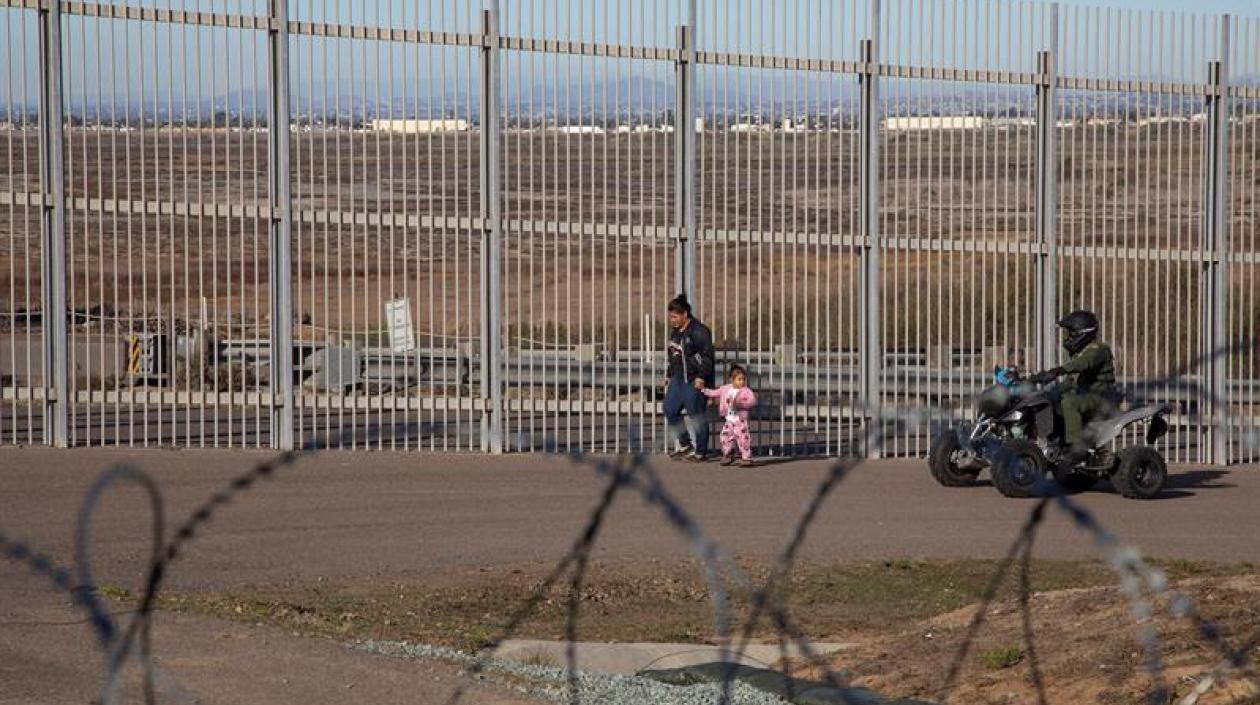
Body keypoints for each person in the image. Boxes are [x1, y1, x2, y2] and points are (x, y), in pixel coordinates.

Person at [1027, 310, 1118, 467]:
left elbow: (1084, 363)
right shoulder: (1079, 352)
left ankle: (1076, 449)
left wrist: (1058, 370)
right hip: (1086, 395)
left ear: (1083, 332)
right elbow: (1072, 382)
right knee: (1048, 399)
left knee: (1069, 402)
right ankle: (1054, 443)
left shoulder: (1099, 350)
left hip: (1102, 397)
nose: (1068, 337)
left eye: (1071, 333)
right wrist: (1039, 381)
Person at [662, 294, 716, 461]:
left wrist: (701, 377)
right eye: (671, 317)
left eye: (675, 317)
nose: (672, 320)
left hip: (694, 379)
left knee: (696, 415)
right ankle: (685, 445)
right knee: (670, 410)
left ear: (685, 314)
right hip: (678, 378)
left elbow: (708, 357)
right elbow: (674, 355)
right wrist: (669, 375)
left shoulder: (700, 331)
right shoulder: (676, 332)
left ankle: (700, 452)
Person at [702, 363, 758, 467]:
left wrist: (740, 403)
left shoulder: (746, 391)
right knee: (725, 436)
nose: (742, 382)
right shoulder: (726, 388)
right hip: (730, 420)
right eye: (739, 379)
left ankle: (746, 457)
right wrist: (703, 390)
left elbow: (752, 401)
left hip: (740, 420)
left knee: (743, 438)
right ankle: (727, 454)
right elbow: (714, 393)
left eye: (743, 379)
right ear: (732, 379)